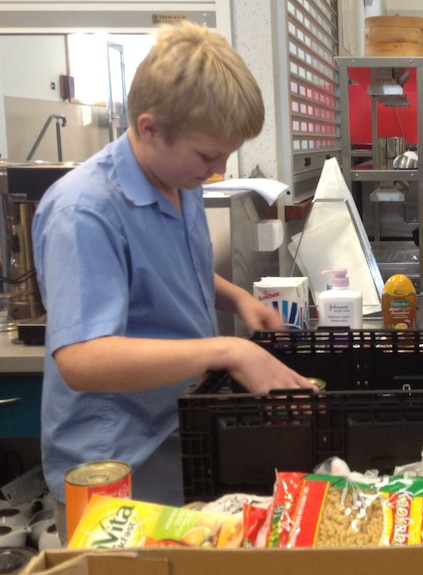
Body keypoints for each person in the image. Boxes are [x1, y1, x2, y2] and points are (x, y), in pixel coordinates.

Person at [33, 22, 314, 542]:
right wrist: (229, 352)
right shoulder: (84, 212)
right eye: (208, 156)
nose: (217, 170)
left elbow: (167, 268)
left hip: (177, 437)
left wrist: (234, 297)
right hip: (115, 466)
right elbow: (80, 360)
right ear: (150, 128)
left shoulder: (175, 183)